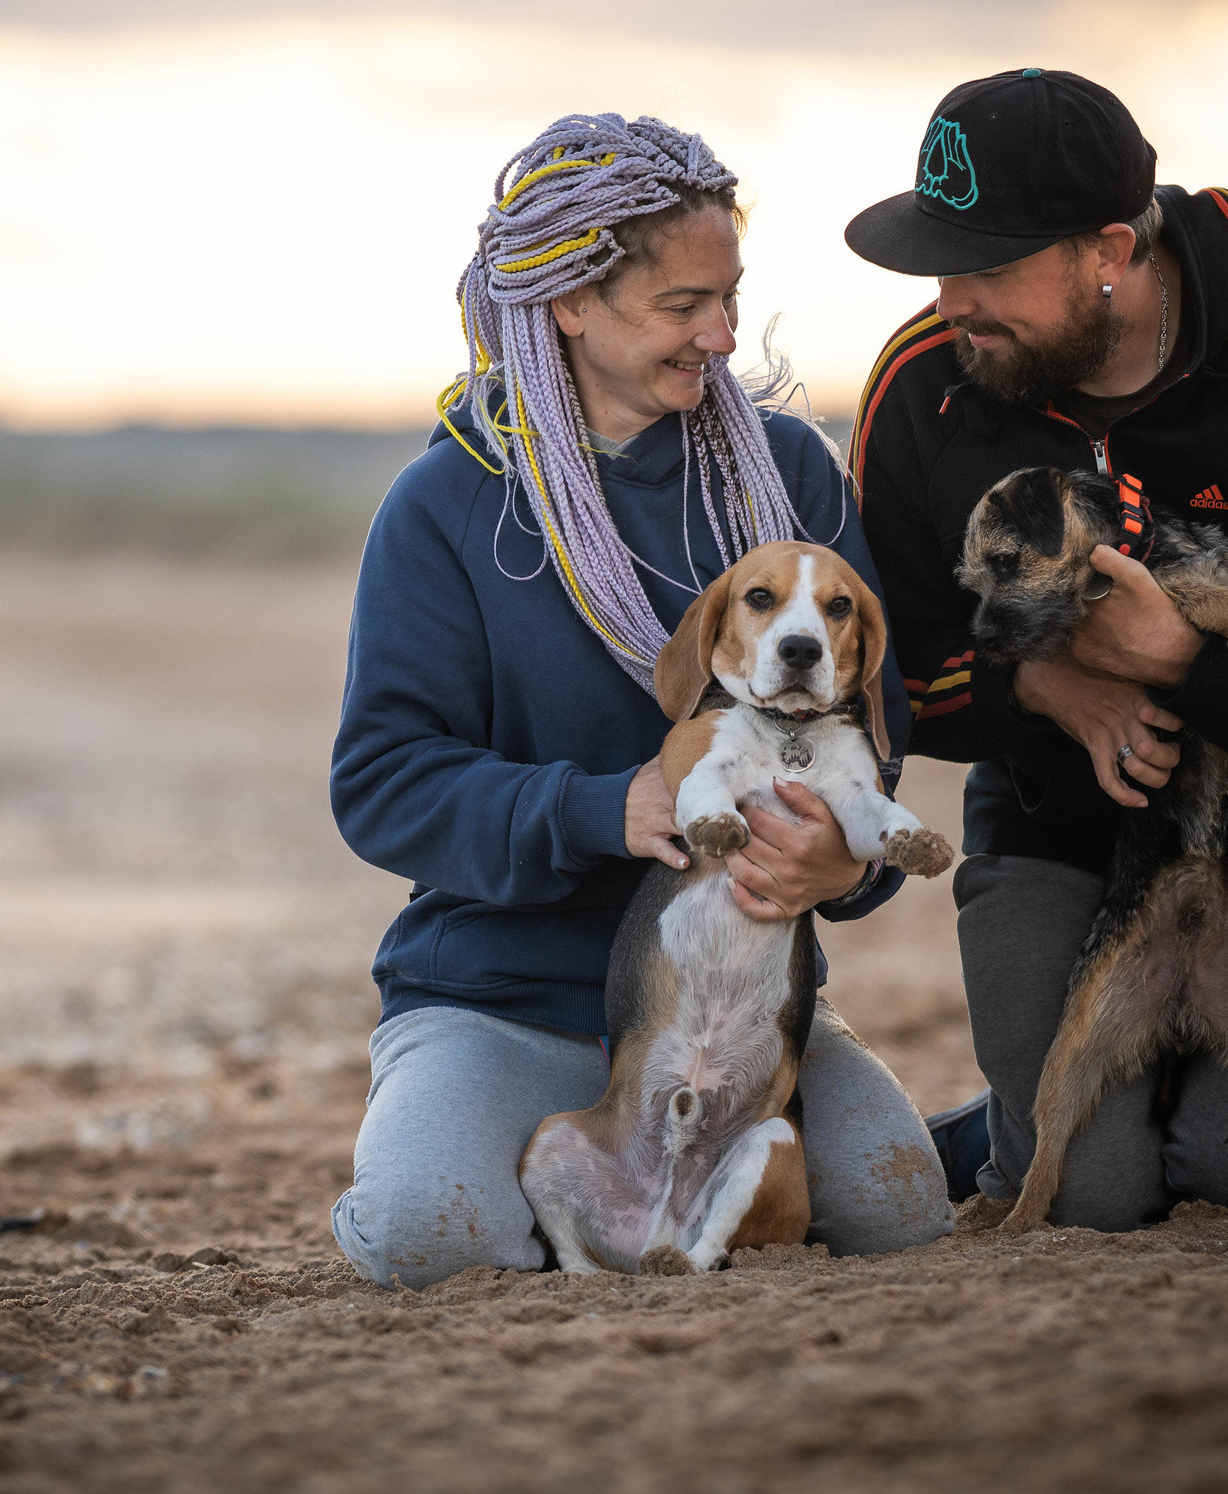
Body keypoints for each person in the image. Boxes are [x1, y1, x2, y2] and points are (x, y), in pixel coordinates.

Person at [327, 113, 956, 1288]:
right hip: (505, 996)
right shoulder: (443, 509)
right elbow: (380, 785)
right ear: (568, 303)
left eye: (729, 299)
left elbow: (874, 720)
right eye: (681, 307)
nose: (721, 336)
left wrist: (842, 865)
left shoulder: (787, 475)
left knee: (896, 1209)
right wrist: (602, 808)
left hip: (728, 1009)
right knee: (432, 1234)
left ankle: (886, 1144)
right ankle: (455, 1141)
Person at [844, 69, 1228, 1230]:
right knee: (1088, 1191)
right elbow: (882, 667)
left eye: (988, 267)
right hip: (1059, 835)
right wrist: (1045, 685)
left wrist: (1189, 663)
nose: (951, 303)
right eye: (940, 265)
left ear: (1107, 249)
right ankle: (1030, 1120)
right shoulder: (923, 380)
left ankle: (1159, 1102)